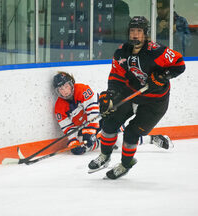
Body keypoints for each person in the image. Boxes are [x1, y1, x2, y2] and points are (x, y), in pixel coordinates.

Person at [88, 16, 185, 179]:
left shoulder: (157, 51)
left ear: (145, 34)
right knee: (109, 122)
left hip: (155, 101)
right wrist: (110, 95)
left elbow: (179, 64)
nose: (135, 35)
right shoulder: (121, 52)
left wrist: (161, 76)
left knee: (131, 134)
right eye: (132, 31)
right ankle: (105, 156)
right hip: (131, 92)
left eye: (139, 31)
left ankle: (126, 164)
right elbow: (116, 77)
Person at [53, 71, 173, 156]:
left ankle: (152, 139)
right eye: (61, 89)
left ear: (71, 84)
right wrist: (74, 143)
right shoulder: (59, 108)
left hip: (102, 118)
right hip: (87, 128)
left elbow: (93, 113)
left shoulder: (82, 90)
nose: (64, 91)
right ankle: (99, 143)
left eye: (66, 86)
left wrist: (89, 133)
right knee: (83, 144)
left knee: (120, 138)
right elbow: (69, 129)